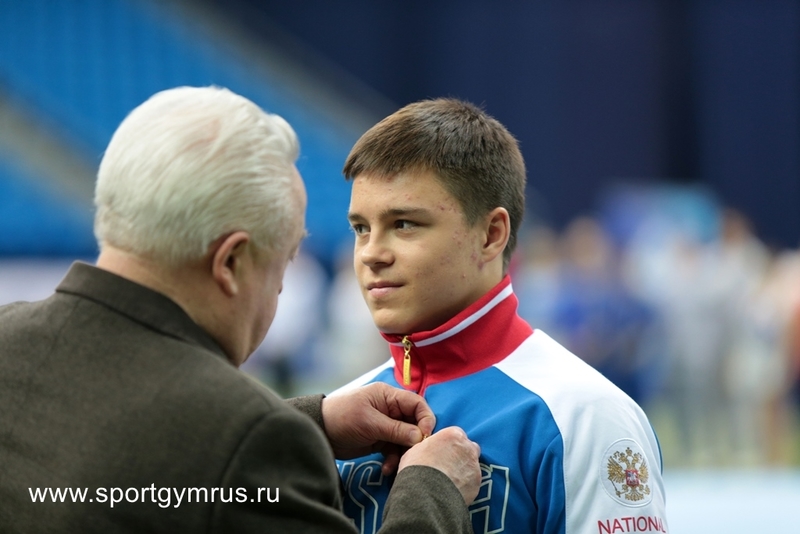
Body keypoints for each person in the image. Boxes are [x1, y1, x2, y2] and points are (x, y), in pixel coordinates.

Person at [0, 87, 482, 533]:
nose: (280, 289)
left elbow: (117, 435)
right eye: (283, 262)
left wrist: (310, 422)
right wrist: (431, 492)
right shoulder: (248, 440)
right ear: (230, 263)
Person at [333, 98, 668, 534]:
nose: (371, 253)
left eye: (404, 224)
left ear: (492, 234)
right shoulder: (338, 419)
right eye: (361, 228)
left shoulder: (585, 415)